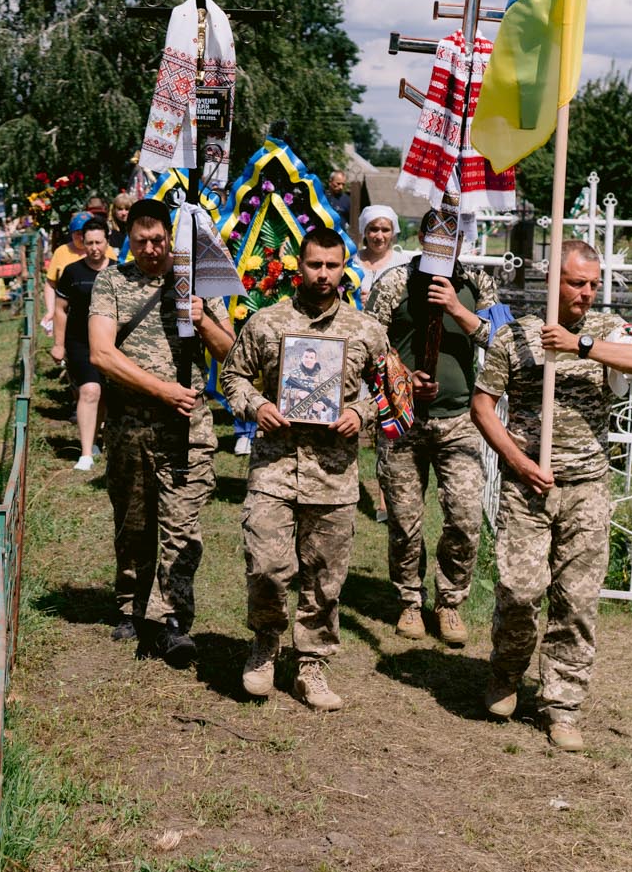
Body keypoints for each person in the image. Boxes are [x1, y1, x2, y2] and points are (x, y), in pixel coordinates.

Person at [472, 240, 632, 752]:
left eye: (593, 284)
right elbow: (483, 406)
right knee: (520, 591)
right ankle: (506, 674)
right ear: (553, 281)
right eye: (578, 283)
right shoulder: (514, 337)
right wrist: (519, 462)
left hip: (587, 488)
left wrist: (579, 347)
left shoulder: (605, 330)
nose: (587, 292)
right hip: (528, 485)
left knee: (576, 601)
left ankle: (562, 704)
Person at [219, 226, 392, 711]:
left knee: (325, 578)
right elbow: (231, 375)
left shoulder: (366, 330)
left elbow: (391, 390)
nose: (322, 274)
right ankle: (265, 644)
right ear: (300, 266)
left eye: (332, 266)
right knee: (267, 567)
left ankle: (312, 664)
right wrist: (255, 406)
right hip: (274, 469)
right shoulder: (267, 323)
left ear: (344, 268)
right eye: (314, 265)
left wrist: (361, 413)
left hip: (334, 477)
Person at [88, 198, 235, 665]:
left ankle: (172, 621)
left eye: (158, 240)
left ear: (172, 236)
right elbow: (101, 354)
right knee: (133, 524)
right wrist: (162, 389)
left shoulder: (197, 282)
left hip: (187, 428)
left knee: (181, 527)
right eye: (140, 241)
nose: (151, 249)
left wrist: (202, 318)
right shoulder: (113, 280)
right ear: (127, 240)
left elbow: (231, 352)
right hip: (131, 427)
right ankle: (130, 604)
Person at [364, 211, 503, 646]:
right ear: (422, 237)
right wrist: (403, 377)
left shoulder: (478, 281)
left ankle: (450, 603)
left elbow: (502, 339)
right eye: (438, 235)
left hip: (460, 420)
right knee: (404, 520)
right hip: (404, 422)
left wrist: (458, 310)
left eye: (455, 235)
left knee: (464, 517)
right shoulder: (394, 282)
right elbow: (369, 346)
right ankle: (409, 600)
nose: (447, 243)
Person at [51, 223, 111, 471]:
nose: (94, 248)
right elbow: (60, 310)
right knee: (90, 391)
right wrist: (58, 344)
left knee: (105, 395)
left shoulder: (119, 272)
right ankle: (85, 453)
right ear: (82, 244)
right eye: (89, 243)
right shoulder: (72, 272)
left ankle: (99, 439)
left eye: (98, 242)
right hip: (80, 342)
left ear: (107, 242)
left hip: (111, 343)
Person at [349, 205, 411, 305]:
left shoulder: (403, 263)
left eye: (385, 230)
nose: (379, 236)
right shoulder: (352, 261)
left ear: (392, 233)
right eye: (374, 229)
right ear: (365, 231)